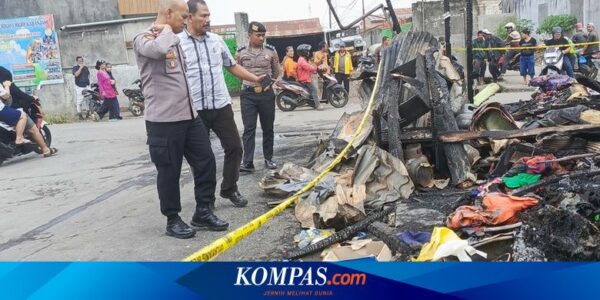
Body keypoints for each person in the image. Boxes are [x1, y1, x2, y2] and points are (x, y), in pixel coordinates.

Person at [134, 0, 226, 239]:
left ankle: (203, 211)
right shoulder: (143, 38)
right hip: (163, 121)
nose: (186, 22)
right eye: (183, 17)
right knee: (169, 171)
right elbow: (157, 51)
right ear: (168, 13)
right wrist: (165, 29)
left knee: (206, 161)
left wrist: (169, 30)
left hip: (189, 116)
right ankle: (172, 219)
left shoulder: (173, 37)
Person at [179, 0, 266, 208]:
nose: (207, 20)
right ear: (190, 17)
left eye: (209, 15)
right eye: (203, 16)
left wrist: (255, 78)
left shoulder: (217, 41)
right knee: (203, 158)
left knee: (235, 147)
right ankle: (205, 201)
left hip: (220, 105)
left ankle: (229, 188)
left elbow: (232, 66)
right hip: (195, 109)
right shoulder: (177, 43)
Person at [236, 21, 280, 173]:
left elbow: (276, 71)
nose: (261, 38)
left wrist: (269, 83)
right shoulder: (240, 53)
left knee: (268, 128)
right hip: (248, 94)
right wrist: (249, 83)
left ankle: (269, 159)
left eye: (263, 35)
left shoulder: (271, 51)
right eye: (258, 35)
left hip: (266, 94)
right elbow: (238, 71)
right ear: (249, 35)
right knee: (249, 129)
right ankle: (248, 162)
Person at [0, 80, 57, 157]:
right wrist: (7, 86)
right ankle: (45, 150)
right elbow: (16, 95)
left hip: (7, 113)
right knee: (33, 128)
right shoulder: (9, 84)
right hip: (11, 110)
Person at [296, 44, 321, 110]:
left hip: (305, 78)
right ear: (303, 52)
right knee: (314, 90)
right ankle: (318, 105)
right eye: (307, 51)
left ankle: (313, 103)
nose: (308, 52)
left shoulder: (302, 59)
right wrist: (315, 67)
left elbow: (308, 67)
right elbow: (308, 67)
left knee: (311, 91)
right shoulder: (301, 60)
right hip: (305, 79)